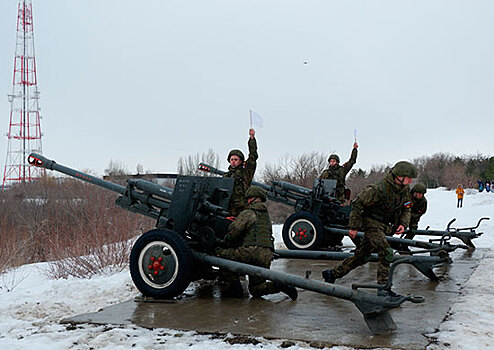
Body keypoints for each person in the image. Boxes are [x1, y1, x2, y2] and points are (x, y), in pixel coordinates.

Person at [321, 161, 417, 297]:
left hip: (384, 226)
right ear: (399, 176)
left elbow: (407, 208)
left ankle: (332, 273)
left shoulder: (404, 191)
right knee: (386, 251)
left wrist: (403, 223)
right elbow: (357, 203)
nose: (410, 181)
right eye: (408, 178)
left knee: (362, 256)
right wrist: (353, 227)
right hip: (371, 224)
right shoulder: (378, 189)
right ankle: (383, 288)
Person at [215, 186, 298, 300]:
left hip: (250, 252)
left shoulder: (248, 213)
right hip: (266, 255)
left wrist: (224, 242)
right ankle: (279, 285)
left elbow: (234, 232)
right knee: (257, 288)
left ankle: (235, 292)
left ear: (251, 199)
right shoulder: (266, 216)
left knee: (221, 257)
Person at [223, 128, 258, 216]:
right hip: (228, 209)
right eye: (231, 159)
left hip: (242, 209)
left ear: (241, 161)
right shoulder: (226, 176)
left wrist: (252, 139)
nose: (233, 161)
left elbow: (253, 156)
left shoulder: (245, 173)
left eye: (236, 159)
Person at [400, 183, 428, 252]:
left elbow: (422, 211)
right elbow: (404, 209)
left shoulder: (423, 201)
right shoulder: (408, 198)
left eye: (422, 194)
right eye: (419, 193)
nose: (420, 195)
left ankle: (404, 245)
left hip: (414, 219)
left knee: (413, 230)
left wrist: (414, 216)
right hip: (402, 217)